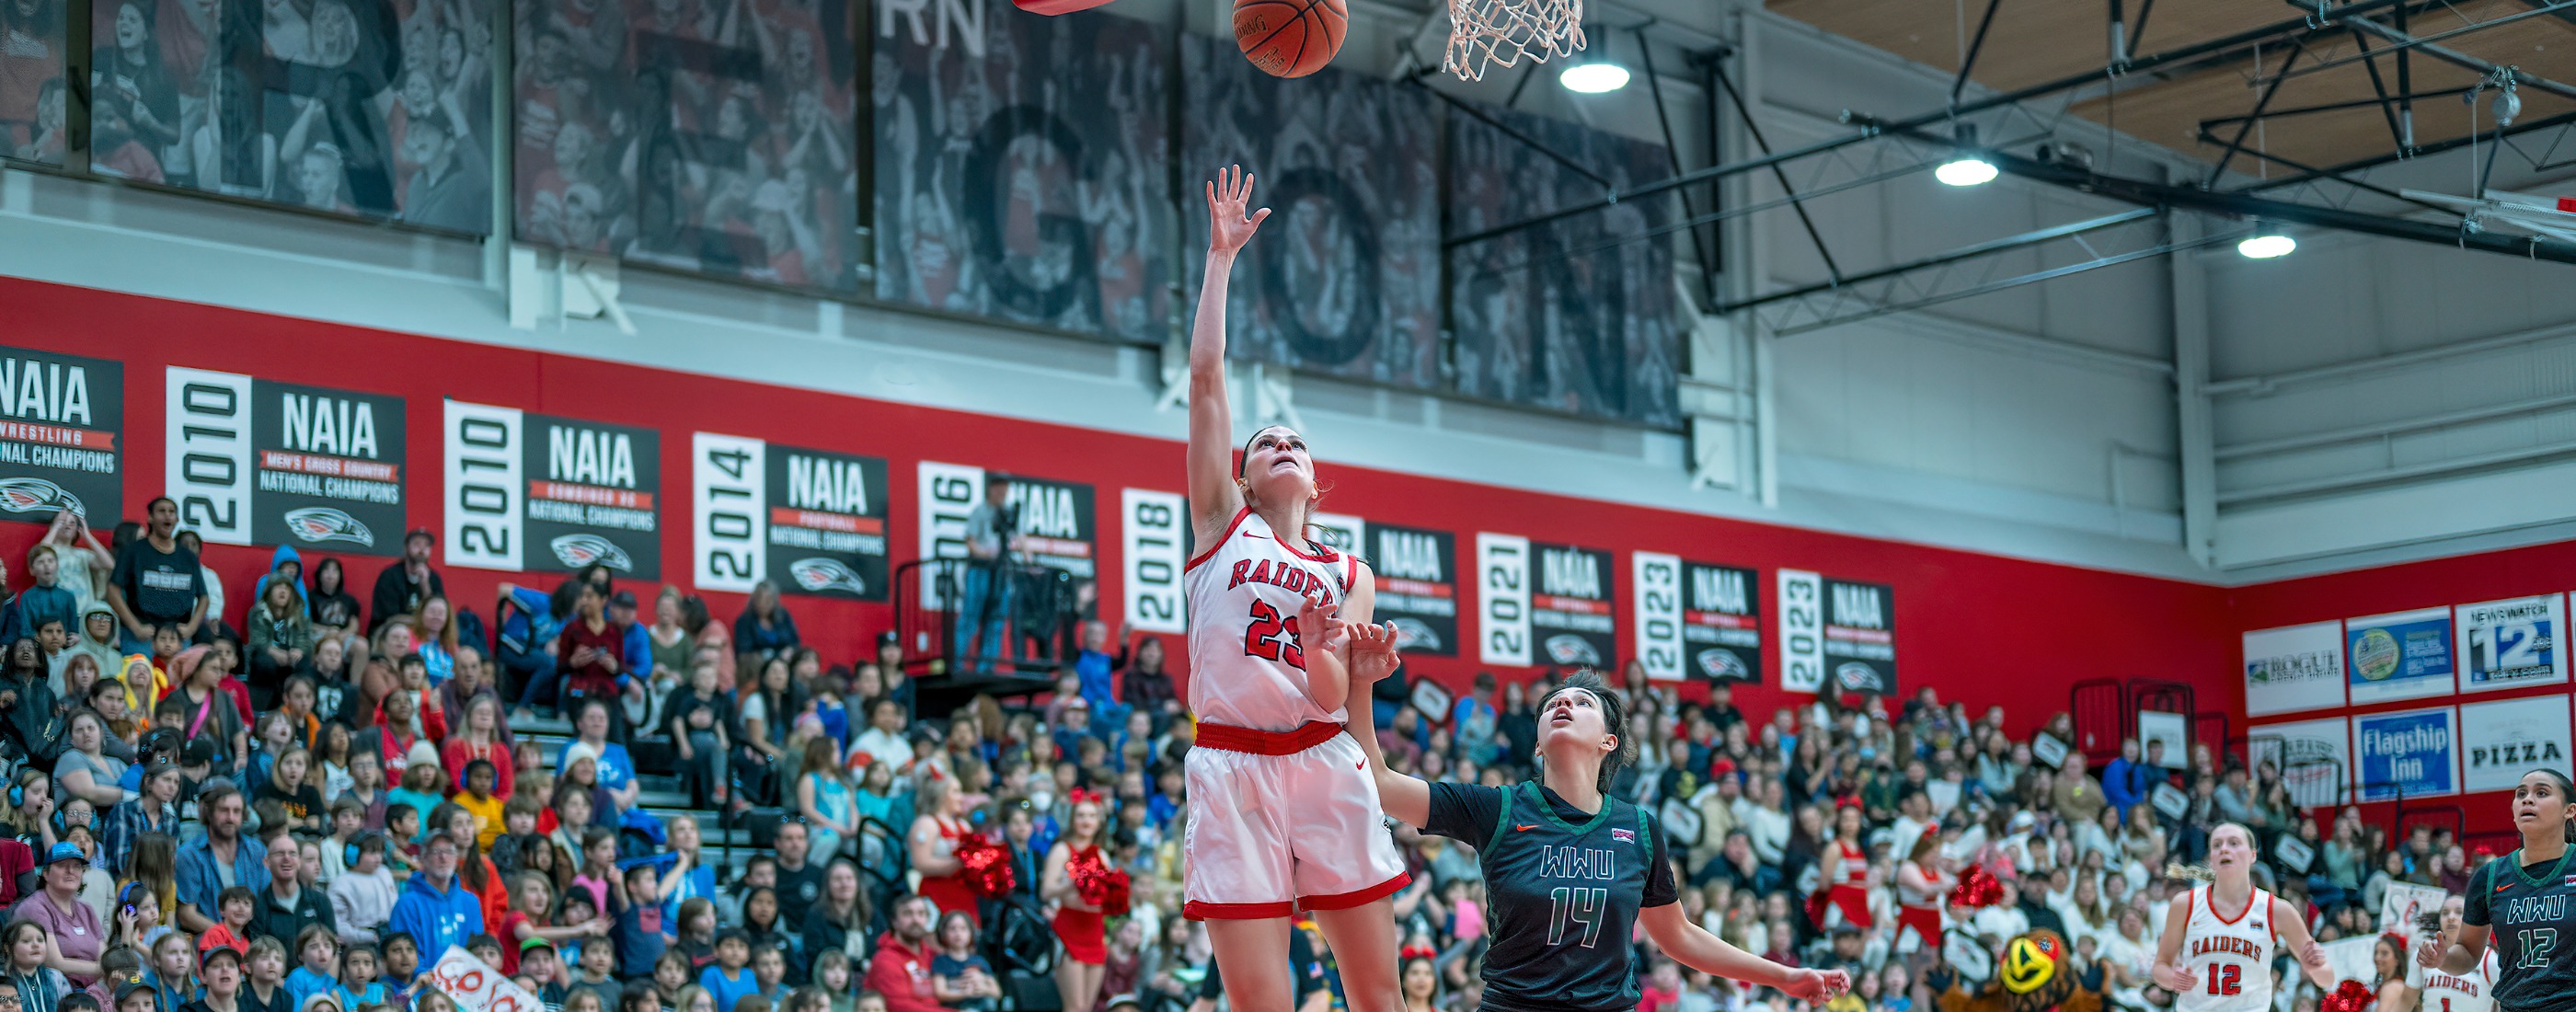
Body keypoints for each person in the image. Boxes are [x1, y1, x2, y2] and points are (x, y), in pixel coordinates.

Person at [1176, 165, 1407, 1012]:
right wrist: (1221, 261)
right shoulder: (1220, 524)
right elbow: (1207, 381)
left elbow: (1333, 696)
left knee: (1378, 996)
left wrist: (1320, 651)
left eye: (1296, 444)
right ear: (1240, 476)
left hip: (1320, 756)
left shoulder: (1350, 573)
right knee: (1260, 1002)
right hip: (1230, 761)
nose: (1281, 445)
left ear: (1315, 481)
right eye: (1265, 442)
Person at [1346, 661, 1846, 1012]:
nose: (1563, 703)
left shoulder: (1639, 828)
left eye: (1581, 702)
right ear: (1538, 744)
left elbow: (1679, 936)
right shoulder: (1498, 808)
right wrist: (1361, 681)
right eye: (1552, 704)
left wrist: (1785, 977)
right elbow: (1380, 783)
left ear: (1609, 741)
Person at [2420, 768, 2576, 1012]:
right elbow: (2468, 953)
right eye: (2521, 794)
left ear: (2569, 810)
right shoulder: (2490, 876)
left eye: (2541, 793)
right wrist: (2443, 959)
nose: (2527, 799)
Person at [2152, 822, 2334, 1011]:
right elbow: (2160, 967)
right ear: (2211, 858)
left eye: (2233, 843)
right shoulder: (2185, 904)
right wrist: (2173, 978)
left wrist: (2315, 967)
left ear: (2253, 855)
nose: (2224, 849)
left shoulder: (2277, 910)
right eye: (2217, 845)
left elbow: (2326, 978)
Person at [108, 500, 204, 653]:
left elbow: (204, 597)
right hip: (140, 636)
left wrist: (191, 627)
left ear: (177, 519)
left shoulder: (188, 557)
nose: (167, 515)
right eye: (162, 511)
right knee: (138, 670)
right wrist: (135, 626)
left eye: (171, 512)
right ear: (150, 518)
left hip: (177, 636)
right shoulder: (133, 551)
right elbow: (113, 590)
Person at [1043, 792, 1110, 1012]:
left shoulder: (1102, 855)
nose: (1086, 821)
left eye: (1091, 816)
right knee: (1074, 1007)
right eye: (1081, 815)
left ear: (1098, 822)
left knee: (1087, 1007)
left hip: (1095, 930)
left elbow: (1109, 896)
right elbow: (1046, 891)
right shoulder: (1062, 849)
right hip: (1069, 928)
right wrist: (1073, 883)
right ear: (1072, 819)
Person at [177, 785, 270, 934]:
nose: (230, 818)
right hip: (207, 937)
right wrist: (228, 937)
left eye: (236, 811)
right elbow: (186, 915)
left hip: (253, 935)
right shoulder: (189, 854)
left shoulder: (256, 851)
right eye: (224, 810)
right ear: (209, 813)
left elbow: (268, 900)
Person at [13, 843, 103, 987]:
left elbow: (104, 955)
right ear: (46, 874)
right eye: (62, 865)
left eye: (76, 866)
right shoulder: (35, 907)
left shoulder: (87, 910)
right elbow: (54, 962)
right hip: (52, 990)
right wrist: (103, 969)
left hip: (91, 991)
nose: (70, 871)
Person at [387, 833, 482, 958]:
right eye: (436, 851)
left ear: (456, 858)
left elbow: (477, 951)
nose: (443, 857)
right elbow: (405, 958)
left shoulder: (470, 902)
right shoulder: (408, 904)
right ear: (423, 859)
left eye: (449, 851)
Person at [2415, 894, 2499, 1012]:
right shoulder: (2426, 951)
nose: (2451, 917)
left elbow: (2506, 1004)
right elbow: (2405, 999)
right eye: (2445, 913)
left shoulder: (2490, 960)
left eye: (2459, 912)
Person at [369, 532, 443, 636]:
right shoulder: (390, 575)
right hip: (388, 632)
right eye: (417, 544)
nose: (422, 550)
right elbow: (391, 618)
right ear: (406, 548)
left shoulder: (433, 578)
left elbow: (439, 613)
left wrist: (425, 585)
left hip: (422, 634)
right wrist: (424, 622)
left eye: (426, 546)